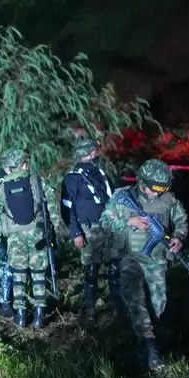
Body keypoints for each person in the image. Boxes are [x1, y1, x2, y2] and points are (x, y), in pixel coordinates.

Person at [99, 159, 189, 370]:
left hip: (156, 260)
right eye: (154, 189)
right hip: (129, 258)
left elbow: (181, 220)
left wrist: (178, 237)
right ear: (142, 183)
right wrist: (127, 222)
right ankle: (149, 346)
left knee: (159, 303)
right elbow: (105, 221)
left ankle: (151, 338)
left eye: (162, 189)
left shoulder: (168, 200)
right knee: (136, 300)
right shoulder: (122, 197)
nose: (157, 194)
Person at [0, 148, 60, 328]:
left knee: (19, 274)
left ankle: (20, 314)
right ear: (25, 164)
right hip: (37, 235)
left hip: (14, 238)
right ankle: (39, 314)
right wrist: (56, 226)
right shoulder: (36, 181)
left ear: (7, 169)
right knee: (38, 274)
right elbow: (50, 204)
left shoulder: (1, 188)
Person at [60, 138, 124, 325]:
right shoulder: (72, 178)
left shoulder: (100, 173)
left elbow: (113, 196)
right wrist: (76, 233)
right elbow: (67, 208)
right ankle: (89, 312)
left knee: (114, 269)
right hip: (88, 230)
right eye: (93, 152)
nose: (96, 154)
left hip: (109, 228)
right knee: (91, 271)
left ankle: (119, 310)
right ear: (84, 154)